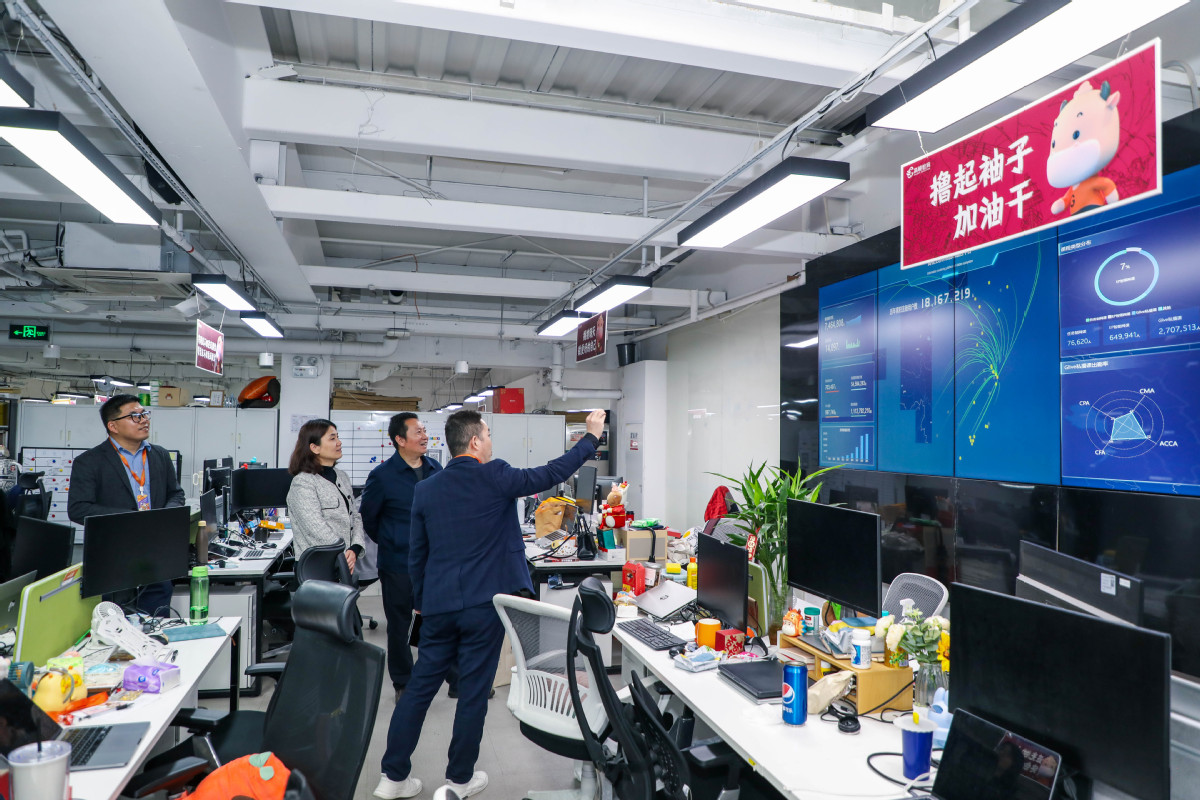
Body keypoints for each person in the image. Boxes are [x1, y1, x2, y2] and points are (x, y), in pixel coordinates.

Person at [373, 408, 606, 800]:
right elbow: (551, 472)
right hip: (484, 607)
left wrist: (421, 603)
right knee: (473, 693)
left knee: (418, 690)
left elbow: (418, 555)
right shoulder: (496, 475)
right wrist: (591, 437)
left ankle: (391, 778)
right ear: (475, 441)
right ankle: (458, 781)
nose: (491, 440)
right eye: (488, 434)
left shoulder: (426, 489)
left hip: (438, 605)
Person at [68, 394, 186, 616]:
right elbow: (78, 508)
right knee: (118, 623)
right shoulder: (89, 462)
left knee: (158, 620)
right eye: (135, 416)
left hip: (156, 552)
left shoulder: (159, 455)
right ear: (113, 426)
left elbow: (176, 494)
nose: (144, 420)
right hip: (114, 556)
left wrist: (164, 516)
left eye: (144, 414)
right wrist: (132, 518)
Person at [361, 412, 443, 697]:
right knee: (399, 624)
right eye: (418, 432)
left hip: (434, 562)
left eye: (424, 431)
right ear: (400, 439)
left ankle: (453, 676)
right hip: (398, 562)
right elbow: (369, 518)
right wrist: (392, 540)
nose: (425, 437)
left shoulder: (436, 469)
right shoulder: (382, 476)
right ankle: (404, 682)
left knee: (441, 618)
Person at [285, 419, 364, 570]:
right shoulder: (303, 482)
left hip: (344, 564)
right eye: (332, 438)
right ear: (314, 447)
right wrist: (343, 553)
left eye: (338, 437)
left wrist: (354, 549)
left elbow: (355, 517)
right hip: (317, 567)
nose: (339, 442)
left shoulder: (342, 477)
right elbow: (315, 528)